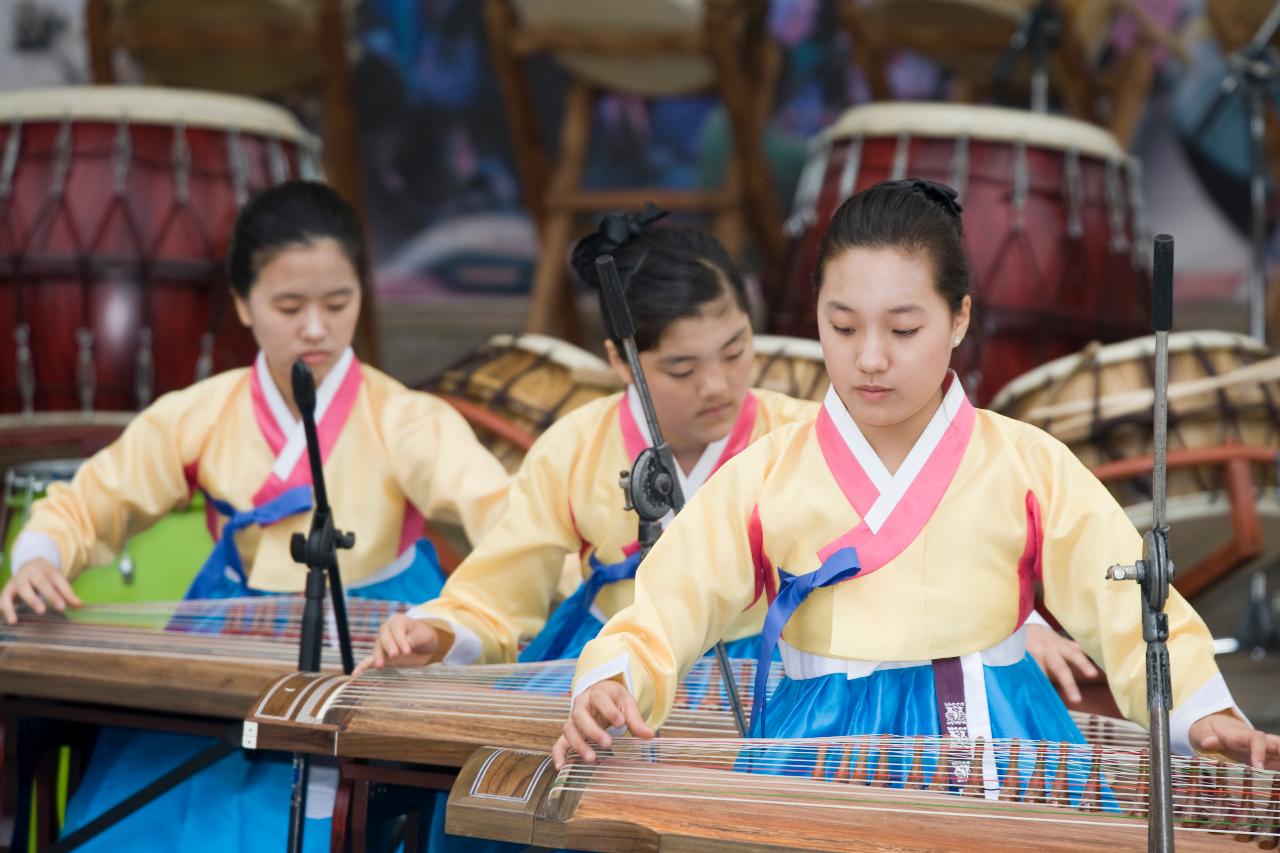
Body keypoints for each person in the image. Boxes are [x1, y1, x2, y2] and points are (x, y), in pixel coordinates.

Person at [554, 180, 1280, 777]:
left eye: (903, 330)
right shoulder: (768, 475)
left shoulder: (1027, 463)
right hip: (821, 746)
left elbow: (1127, 604)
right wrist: (616, 677)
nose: (871, 358)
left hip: (998, 734)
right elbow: (668, 603)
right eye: (843, 327)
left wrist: (1201, 707)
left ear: (960, 318)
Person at [0, 180, 509, 852]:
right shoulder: (203, 411)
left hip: (369, 651)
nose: (316, 328)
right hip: (227, 647)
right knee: (141, 814)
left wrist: (450, 624)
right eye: (289, 305)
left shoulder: (405, 419)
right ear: (242, 303)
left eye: (338, 301)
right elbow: (92, 498)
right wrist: (41, 555)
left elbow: (512, 525)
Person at [358, 208, 818, 678]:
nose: (717, 385)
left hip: (760, 666)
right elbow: (498, 589)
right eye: (683, 369)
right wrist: (437, 632)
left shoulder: (802, 437)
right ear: (620, 360)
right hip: (608, 668)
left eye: (736, 350)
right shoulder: (574, 449)